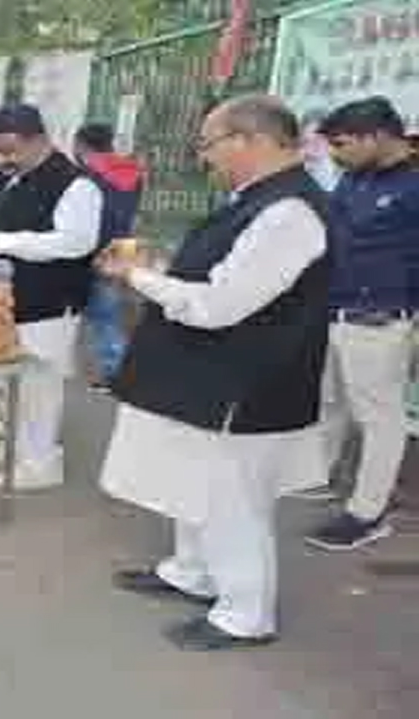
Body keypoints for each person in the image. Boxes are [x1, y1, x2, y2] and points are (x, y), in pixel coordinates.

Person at [98, 95, 330, 651]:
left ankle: (245, 614)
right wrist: (156, 271)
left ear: (249, 140)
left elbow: (221, 304)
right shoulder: (253, 200)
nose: (206, 157)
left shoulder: (289, 213)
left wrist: (139, 278)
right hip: (207, 375)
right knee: (193, 483)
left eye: (209, 144)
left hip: (244, 384)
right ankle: (191, 572)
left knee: (233, 501)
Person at [0, 104, 104, 489]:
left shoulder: (76, 184)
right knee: (4, 377)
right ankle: (11, 444)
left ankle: (40, 464)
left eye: (10, 150)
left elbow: (75, 242)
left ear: (40, 141)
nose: (2, 159)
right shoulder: (0, 176)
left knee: (38, 386)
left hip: (48, 301)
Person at [302, 97, 419, 551]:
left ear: (376, 137)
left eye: (342, 144)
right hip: (335, 310)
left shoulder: (413, 186)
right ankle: (320, 474)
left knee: (379, 417)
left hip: (381, 318)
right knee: (329, 399)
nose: (335, 154)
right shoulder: (353, 180)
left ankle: (368, 512)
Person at [72, 123, 145, 386]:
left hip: (91, 248)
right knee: (109, 313)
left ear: (80, 145)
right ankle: (119, 369)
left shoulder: (86, 174)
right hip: (121, 247)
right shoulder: (133, 173)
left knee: (99, 314)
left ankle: (117, 373)